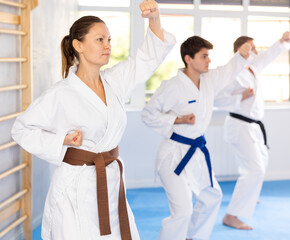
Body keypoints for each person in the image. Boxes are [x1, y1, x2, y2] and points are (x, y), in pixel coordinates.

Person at [11, 1, 175, 239]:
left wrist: (154, 19)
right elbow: (21, 129)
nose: (107, 45)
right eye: (100, 40)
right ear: (79, 45)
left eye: (108, 39)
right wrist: (63, 139)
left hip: (110, 179)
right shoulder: (61, 93)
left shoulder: (115, 81)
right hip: (75, 186)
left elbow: (146, 60)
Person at [141, 35, 252, 240]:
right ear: (188, 59)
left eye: (208, 56)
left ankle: (192, 236)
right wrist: (178, 119)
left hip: (196, 154)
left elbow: (228, 70)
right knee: (183, 211)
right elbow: (148, 114)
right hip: (173, 156)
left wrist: (242, 55)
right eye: (204, 56)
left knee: (212, 196)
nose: (209, 60)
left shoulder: (209, 80)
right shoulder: (172, 86)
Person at [215, 32, 290, 230]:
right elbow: (217, 99)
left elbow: (268, 56)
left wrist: (282, 42)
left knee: (261, 161)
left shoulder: (252, 69)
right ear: (241, 50)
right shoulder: (232, 72)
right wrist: (240, 97)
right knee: (254, 169)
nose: (256, 51)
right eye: (251, 48)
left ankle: (250, 195)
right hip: (240, 126)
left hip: (253, 127)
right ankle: (231, 215)